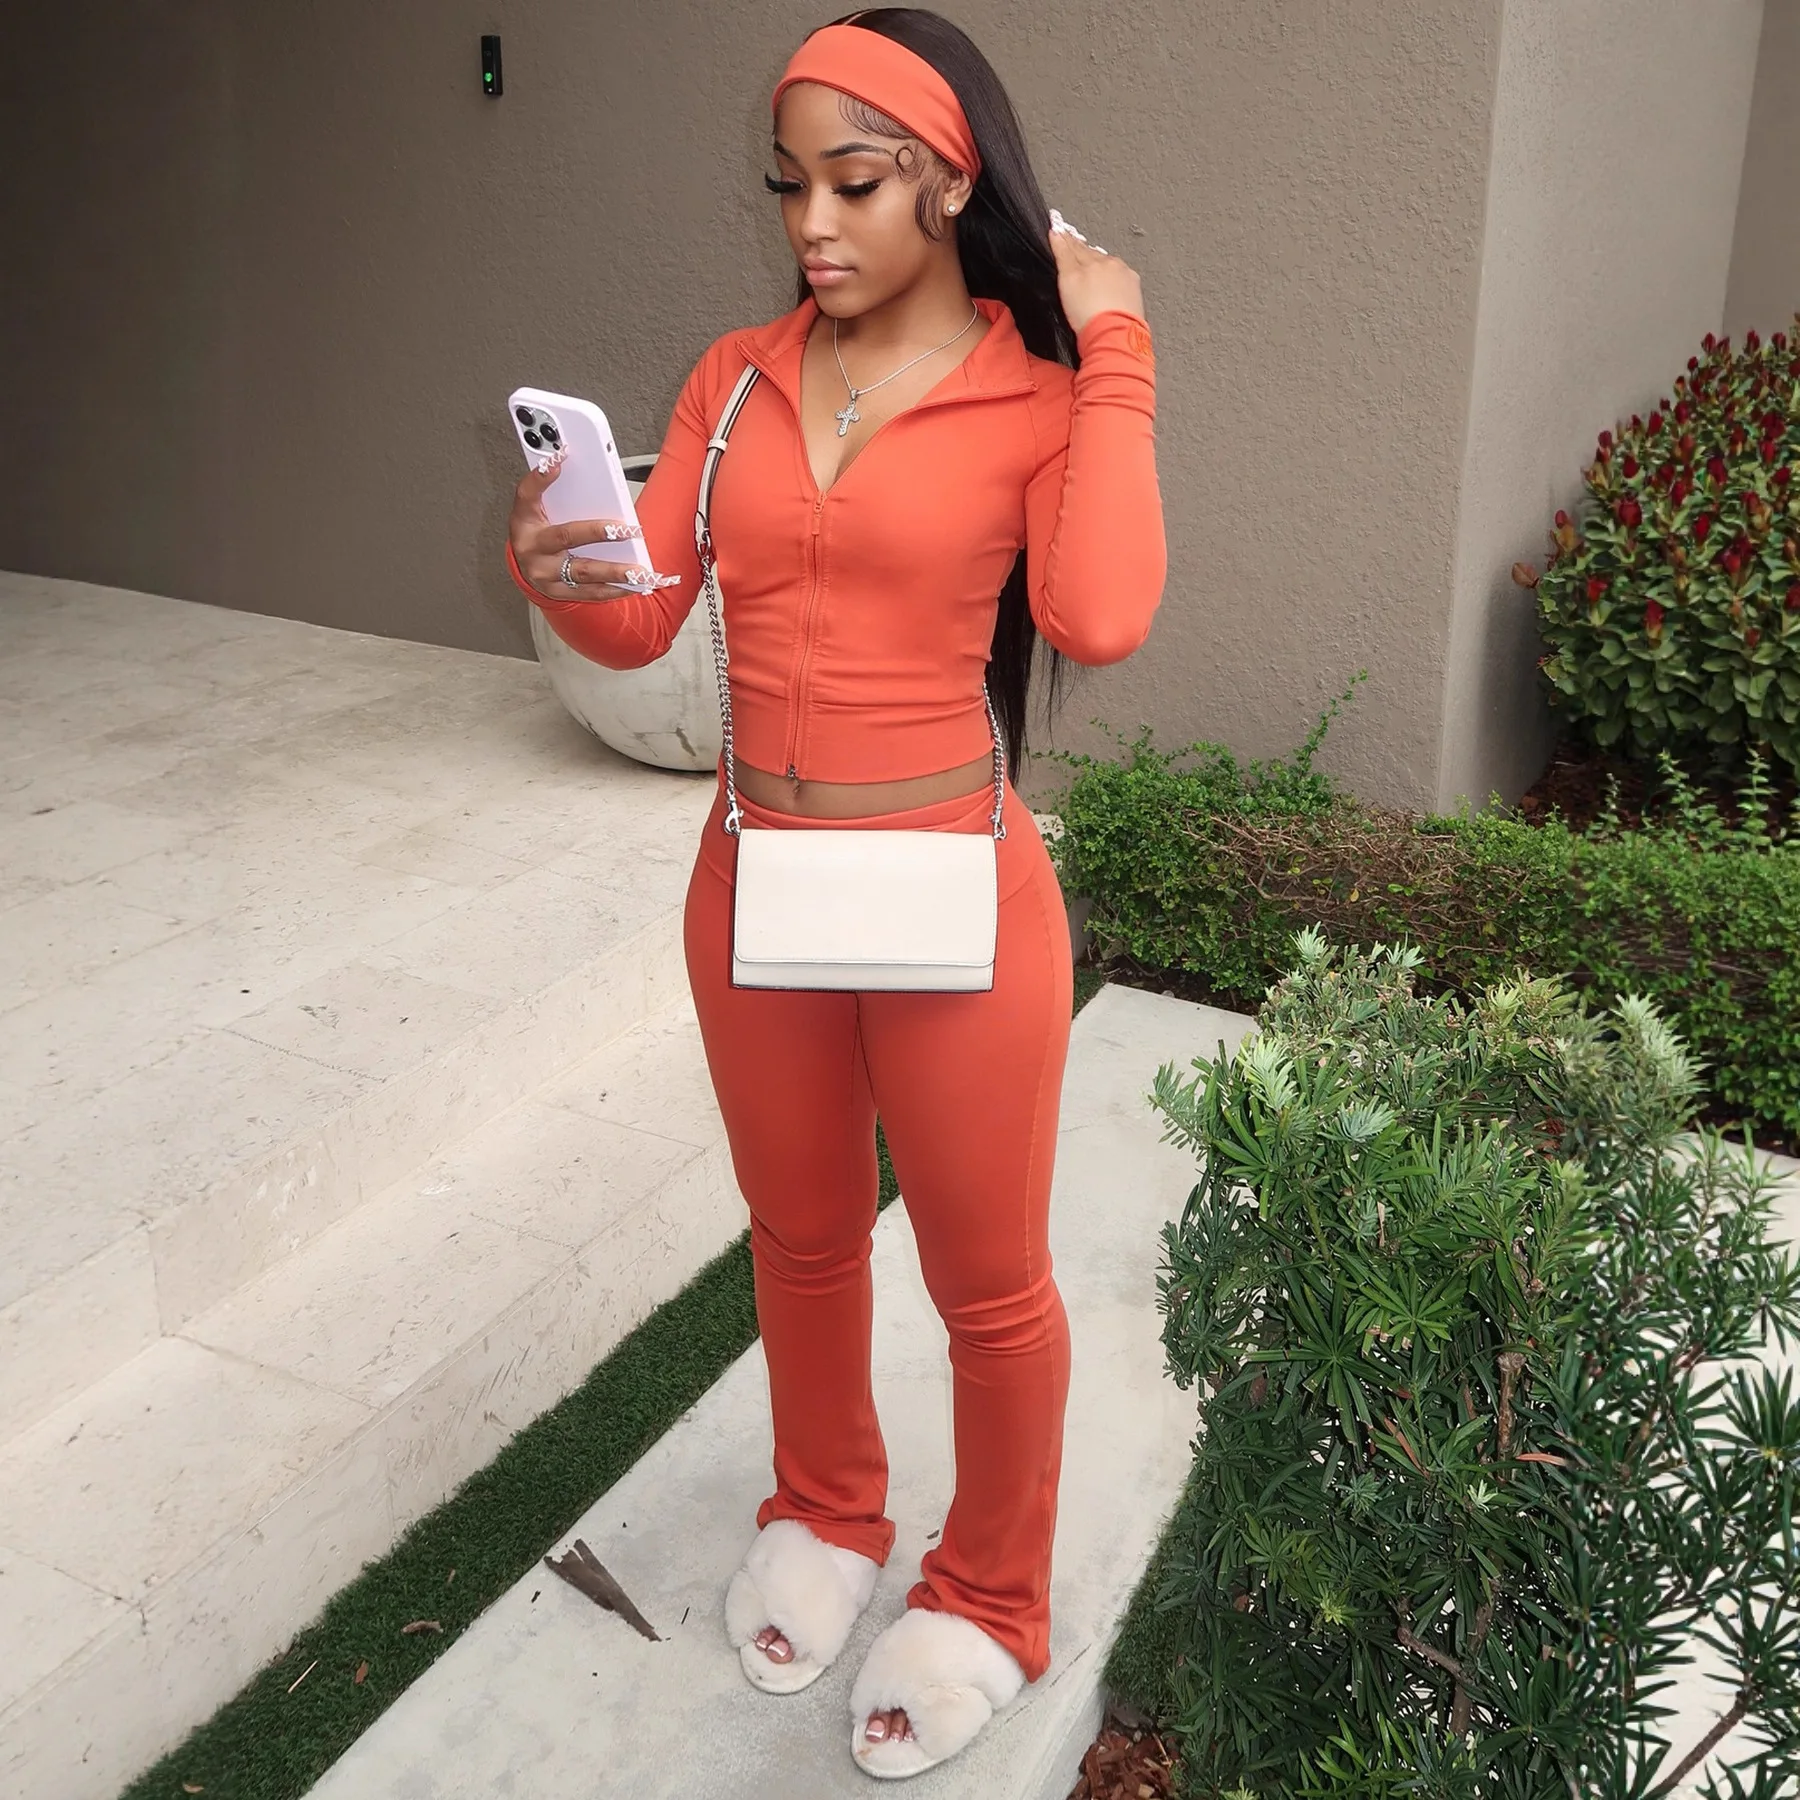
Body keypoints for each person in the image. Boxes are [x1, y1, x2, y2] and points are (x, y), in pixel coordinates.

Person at [503, 7, 1164, 1779]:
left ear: (949, 182)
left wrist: (1118, 352)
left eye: (855, 183)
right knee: (799, 1240)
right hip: (754, 884)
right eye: (789, 183)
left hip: (955, 893)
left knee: (986, 1285)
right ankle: (826, 1506)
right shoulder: (734, 380)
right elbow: (645, 617)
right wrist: (561, 565)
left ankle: (995, 1596)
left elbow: (1100, 615)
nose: (813, 221)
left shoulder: (1036, 394)